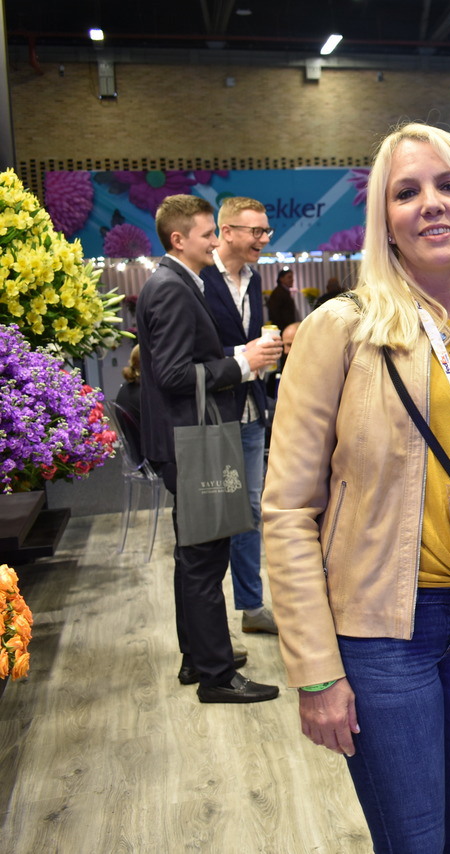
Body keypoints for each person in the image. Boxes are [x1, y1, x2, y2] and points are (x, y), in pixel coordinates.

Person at [262, 123, 450, 853]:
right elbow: (287, 509)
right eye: (406, 192)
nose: (431, 204)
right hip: (384, 631)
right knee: (415, 842)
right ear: (384, 220)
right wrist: (315, 671)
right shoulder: (341, 330)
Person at [136, 194, 281, 703]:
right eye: (208, 234)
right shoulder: (171, 288)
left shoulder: (174, 282)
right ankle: (216, 675)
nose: (215, 241)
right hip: (191, 440)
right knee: (203, 560)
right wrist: (242, 364)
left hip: (187, 438)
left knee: (194, 558)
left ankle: (198, 658)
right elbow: (175, 375)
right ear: (179, 240)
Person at [200, 196, 279, 637]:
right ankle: (210, 625)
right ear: (227, 232)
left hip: (251, 409)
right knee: (215, 516)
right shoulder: (198, 277)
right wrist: (244, 355)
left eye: (266, 231)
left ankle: (251, 606)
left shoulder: (253, 277)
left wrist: (265, 355)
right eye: (256, 231)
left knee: (250, 509)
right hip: (211, 414)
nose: (263, 239)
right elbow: (195, 352)